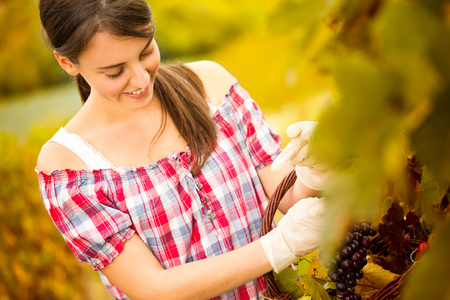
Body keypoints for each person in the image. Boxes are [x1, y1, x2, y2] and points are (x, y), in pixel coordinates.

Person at [36, 0, 326, 299]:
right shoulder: (69, 166)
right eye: (114, 71)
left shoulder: (211, 86)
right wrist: (276, 247)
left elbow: (286, 198)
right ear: (68, 63)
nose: (140, 79)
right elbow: (154, 289)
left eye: (146, 52)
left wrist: (315, 172)